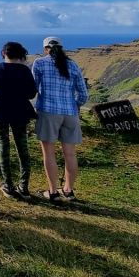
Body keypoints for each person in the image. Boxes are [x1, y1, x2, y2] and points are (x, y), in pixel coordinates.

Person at [31, 36, 89, 202]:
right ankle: (69, 191)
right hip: (70, 113)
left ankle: (53, 192)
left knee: (49, 154)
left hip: (48, 112)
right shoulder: (73, 65)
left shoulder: (40, 63)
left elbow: (33, 89)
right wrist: (75, 105)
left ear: (45, 49)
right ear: (61, 47)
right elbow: (83, 94)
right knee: (70, 154)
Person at [0, 42, 38, 200]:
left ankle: (8, 184)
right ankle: (24, 187)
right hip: (21, 111)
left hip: (0, 110)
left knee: (3, 146)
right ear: (20, 54)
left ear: (3, 53)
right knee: (22, 147)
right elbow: (31, 94)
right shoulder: (25, 70)